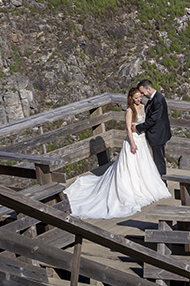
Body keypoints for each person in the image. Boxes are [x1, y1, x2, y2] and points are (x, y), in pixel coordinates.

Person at [64, 87, 168, 219]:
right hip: (134, 140)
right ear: (131, 98)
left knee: (144, 165)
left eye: (139, 97)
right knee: (130, 167)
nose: (139, 99)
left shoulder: (144, 107)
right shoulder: (130, 111)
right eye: (136, 98)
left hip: (143, 140)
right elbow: (128, 129)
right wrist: (132, 144)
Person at [134, 79, 170, 177]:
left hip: (158, 135)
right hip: (155, 134)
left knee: (159, 160)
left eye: (143, 93)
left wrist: (138, 128)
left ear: (149, 89)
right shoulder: (154, 98)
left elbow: (153, 120)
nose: (142, 95)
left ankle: (162, 181)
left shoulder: (158, 100)